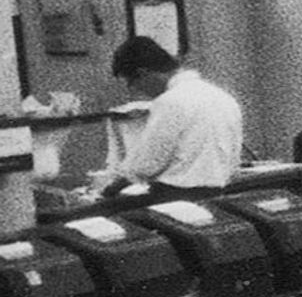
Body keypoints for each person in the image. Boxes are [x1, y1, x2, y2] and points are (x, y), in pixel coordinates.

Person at [92, 37, 243, 193]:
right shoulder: (222, 96)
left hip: (176, 194)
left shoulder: (169, 101)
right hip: (219, 190)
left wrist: (110, 189)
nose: (137, 91)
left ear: (143, 73)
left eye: (132, 84)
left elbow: (148, 163)